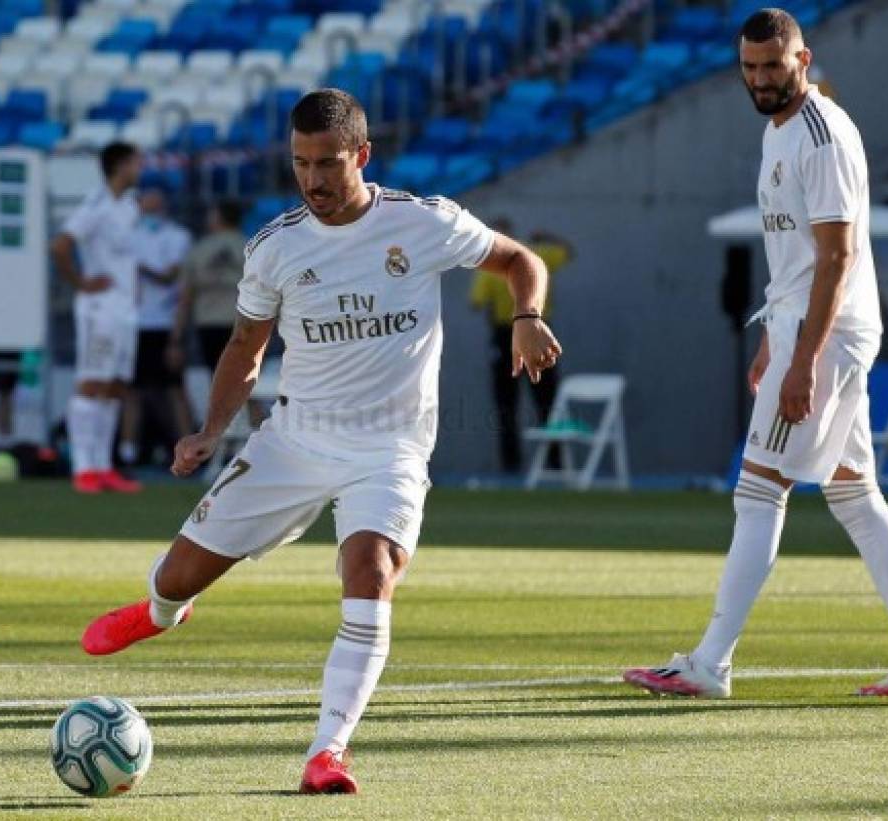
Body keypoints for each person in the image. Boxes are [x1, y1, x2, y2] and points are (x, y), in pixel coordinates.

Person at [80, 89, 562, 793]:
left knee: (370, 572)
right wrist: (211, 430)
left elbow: (522, 259)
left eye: (328, 163)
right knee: (178, 576)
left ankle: (328, 749)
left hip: (389, 449)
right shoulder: (277, 248)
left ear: (361, 156)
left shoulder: (423, 222)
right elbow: (245, 349)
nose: (313, 180)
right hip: (293, 440)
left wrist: (526, 315)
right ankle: (159, 611)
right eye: (301, 164)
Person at [623, 8, 888, 699]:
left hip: (827, 334)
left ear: (804, 60)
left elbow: (837, 256)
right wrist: (774, 339)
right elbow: (799, 259)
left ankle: (711, 661)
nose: (760, 80)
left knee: (758, 487)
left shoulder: (820, 134)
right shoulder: (780, 132)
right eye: (749, 68)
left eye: (773, 66)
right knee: (854, 493)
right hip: (808, 326)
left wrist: (803, 358)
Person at [51, 141, 145, 494]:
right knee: (91, 383)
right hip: (100, 308)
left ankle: (104, 466)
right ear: (120, 165)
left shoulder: (129, 206)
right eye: (136, 162)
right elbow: (60, 245)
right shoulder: (96, 205)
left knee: (114, 386)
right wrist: (80, 282)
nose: (141, 168)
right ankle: (83, 467)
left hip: (125, 309)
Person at [470, 219, 572, 473]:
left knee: (508, 403)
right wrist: (546, 233)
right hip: (535, 330)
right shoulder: (538, 253)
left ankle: (512, 464)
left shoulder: (488, 266)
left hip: (508, 333)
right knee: (546, 398)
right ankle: (554, 461)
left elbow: (477, 303)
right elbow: (567, 251)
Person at [118, 186, 196, 467]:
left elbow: (169, 276)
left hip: (164, 323)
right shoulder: (129, 237)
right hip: (134, 324)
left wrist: (137, 269)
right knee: (131, 390)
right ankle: (128, 452)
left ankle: (190, 450)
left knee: (175, 388)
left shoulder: (178, 237)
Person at [171, 200, 248, 372]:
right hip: (243, 323)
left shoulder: (199, 249)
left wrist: (176, 337)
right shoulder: (252, 248)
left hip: (208, 322)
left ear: (216, 218)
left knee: (217, 378)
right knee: (244, 379)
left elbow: (185, 297)